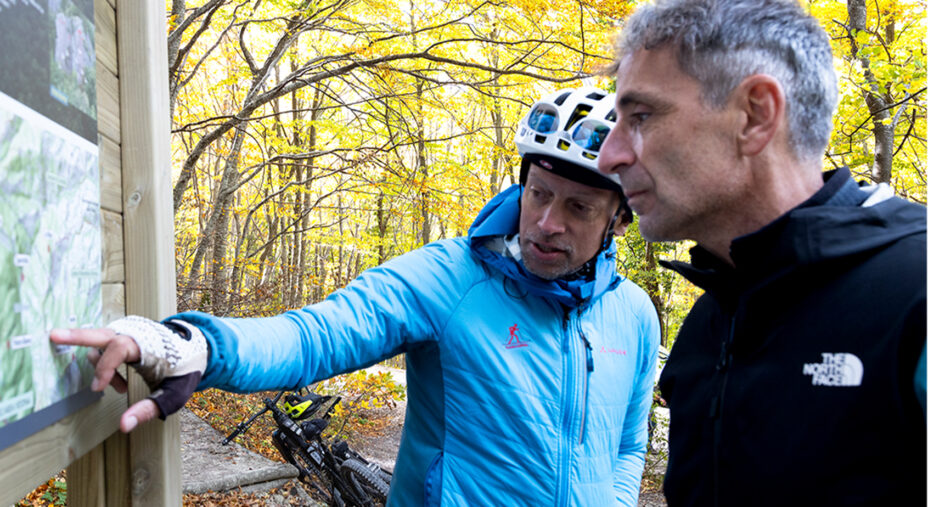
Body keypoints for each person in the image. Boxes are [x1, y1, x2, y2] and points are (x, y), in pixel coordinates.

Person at [52, 87, 660, 506]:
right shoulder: (453, 278)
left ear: (619, 219)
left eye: (579, 208)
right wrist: (191, 345)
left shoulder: (633, 315)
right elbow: (317, 334)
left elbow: (629, 445)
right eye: (539, 194)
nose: (547, 223)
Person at [596, 0, 927, 505]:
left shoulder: (915, 293)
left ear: (755, 115)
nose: (609, 156)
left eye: (641, 116)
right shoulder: (706, 327)